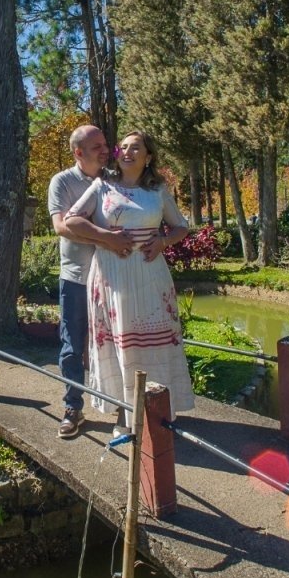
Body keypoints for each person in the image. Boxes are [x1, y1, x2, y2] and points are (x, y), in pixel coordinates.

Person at [64, 130, 194, 429]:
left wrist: (163, 242)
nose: (126, 152)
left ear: (148, 157)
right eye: (123, 147)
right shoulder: (102, 185)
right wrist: (106, 236)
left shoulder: (157, 191)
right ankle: (124, 415)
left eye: (135, 148)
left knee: (152, 344)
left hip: (150, 275)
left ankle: (157, 413)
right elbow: (72, 220)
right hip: (112, 274)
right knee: (121, 345)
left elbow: (181, 226)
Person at [47, 125, 133, 439]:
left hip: (112, 278)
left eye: (105, 144)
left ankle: (124, 409)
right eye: (97, 146)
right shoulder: (62, 181)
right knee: (72, 346)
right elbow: (62, 227)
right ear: (78, 152)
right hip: (76, 278)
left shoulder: (114, 179)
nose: (106, 150)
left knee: (120, 343)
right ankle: (73, 408)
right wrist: (107, 239)